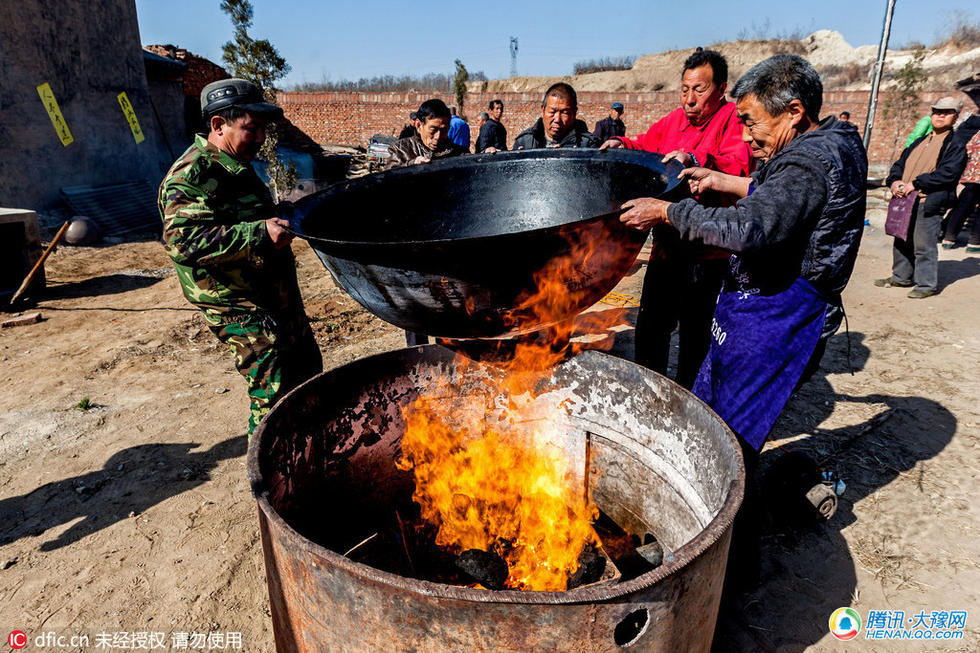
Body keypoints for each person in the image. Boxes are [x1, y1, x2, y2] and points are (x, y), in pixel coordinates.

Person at [618, 53, 867, 458]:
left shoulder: (808, 161)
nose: (747, 136)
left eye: (750, 121)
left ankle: (727, 509)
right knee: (709, 411)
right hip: (761, 303)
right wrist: (725, 181)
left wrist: (665, 210)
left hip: (779, 313)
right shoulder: (833, 143)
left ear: (793, 112)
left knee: (730, 436)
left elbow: (745, 228)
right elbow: (783, 203)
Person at [158, 78, 322, 437]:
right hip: (240, 307)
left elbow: (241, 217)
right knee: (273, 396)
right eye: (252, 128)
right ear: (218, 125)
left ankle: (308, 463)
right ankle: (269, 484)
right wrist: (260, 232)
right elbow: (185, 242)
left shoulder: (236, 163)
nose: (261, 138)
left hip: (275, 295)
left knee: (308, 375)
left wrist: (277, 215)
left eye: (263, 128)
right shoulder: (190, 177)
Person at [599, 48, 753, 388]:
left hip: (708, 251)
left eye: (700, 89)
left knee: (696, 336)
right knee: (652, 326)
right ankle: (648, 392)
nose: (690, 98)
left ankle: (687, 401)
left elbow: (737, 166)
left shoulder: (732, 121)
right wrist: (621, 142)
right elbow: (645, 146)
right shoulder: (672, 122)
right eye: (685, 89)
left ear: (721, 89)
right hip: (668, 246)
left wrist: (696, 157)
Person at [875, 96, 966, 298]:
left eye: (946, 112)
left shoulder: (955, 144)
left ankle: (926, 285)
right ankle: (901, 277)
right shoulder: (920, 140)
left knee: (924, 244)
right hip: (906, 200)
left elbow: (948, 173)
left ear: (955, 116)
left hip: (928, 200)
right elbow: (899, 164)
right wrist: (895, 181)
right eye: (936, 112)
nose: (940, 116)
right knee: (901, 240)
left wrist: (916, 184)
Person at [386, 99, 469, 169]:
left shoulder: (459, 154)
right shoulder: (400, 150)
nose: (438, 136)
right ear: (419, 126)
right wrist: (411, 165)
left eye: (443, 130)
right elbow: (388, 178)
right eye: (433, 130)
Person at [512, 83, 599, 149]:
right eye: (552, 112)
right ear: (543, 110)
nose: (557, 119)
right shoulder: (524, 142)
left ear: (574, 113)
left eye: (564, 113)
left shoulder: (587, 145)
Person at [942, 129, 980, 251]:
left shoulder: (978, 134)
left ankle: (949, 239)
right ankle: (974, 242)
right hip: (973, 176)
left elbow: (968, 150)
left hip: (970, 176)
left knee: (963, 206)